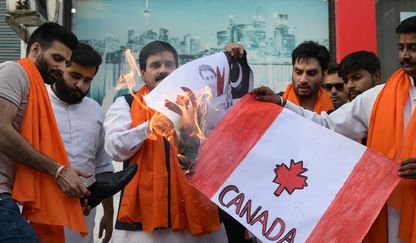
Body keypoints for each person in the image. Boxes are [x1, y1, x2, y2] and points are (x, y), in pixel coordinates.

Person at [254, 13, 416, 243]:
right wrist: (281, 103)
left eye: (414, 48)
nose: (405, 55)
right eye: (401, 47)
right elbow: (327, 125)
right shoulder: (379, 97)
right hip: (389, 214)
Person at [104, 40, 239, 242]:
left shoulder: (200, 101)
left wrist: (232, 61)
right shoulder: (126, 103)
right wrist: (148, 127)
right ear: (142, 73)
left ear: (177, 70)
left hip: (196, 213)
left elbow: (226, 136)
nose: (163, 70)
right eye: (155, 65)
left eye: (169, 65)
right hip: (144, 220)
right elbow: (115, 149)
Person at [0, 22, 91, 242]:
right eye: (57, 58)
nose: (61, 68)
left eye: (66, 63)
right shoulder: (15, 71)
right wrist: (57, 170)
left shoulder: (36, 88)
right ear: (35, 49)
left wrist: (64, 179)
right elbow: (1, 131)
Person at [47, 43, 114, 243]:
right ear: (61, 68)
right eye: (75, 77)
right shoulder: (36, 101)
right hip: (37, 212)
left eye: (87, 80)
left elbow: (103, 167)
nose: (81, 86)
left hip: (83, 214)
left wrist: (108, 213)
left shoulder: (96, 111)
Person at [280, 41, 334, 112]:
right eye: (298, 72)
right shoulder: (274, 104)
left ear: (324, 75)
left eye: (311, 73)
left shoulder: (337, 113)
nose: (303, 80)